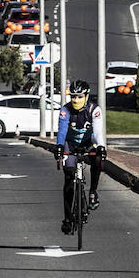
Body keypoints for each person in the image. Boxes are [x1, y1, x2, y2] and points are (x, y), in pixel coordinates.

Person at [54, 79, 106, 235]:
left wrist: (101, 147)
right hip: (70, 144)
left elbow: (97, 132)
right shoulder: (65, 110)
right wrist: (59, 147)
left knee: (98, 159)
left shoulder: (94, 110)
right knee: (69, 177)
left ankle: (93, 192)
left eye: (79, 97)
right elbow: (62, 131)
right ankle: (68, 218)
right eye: (73, 97)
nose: (76, 100)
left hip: (89, 143)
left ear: (87, 96)